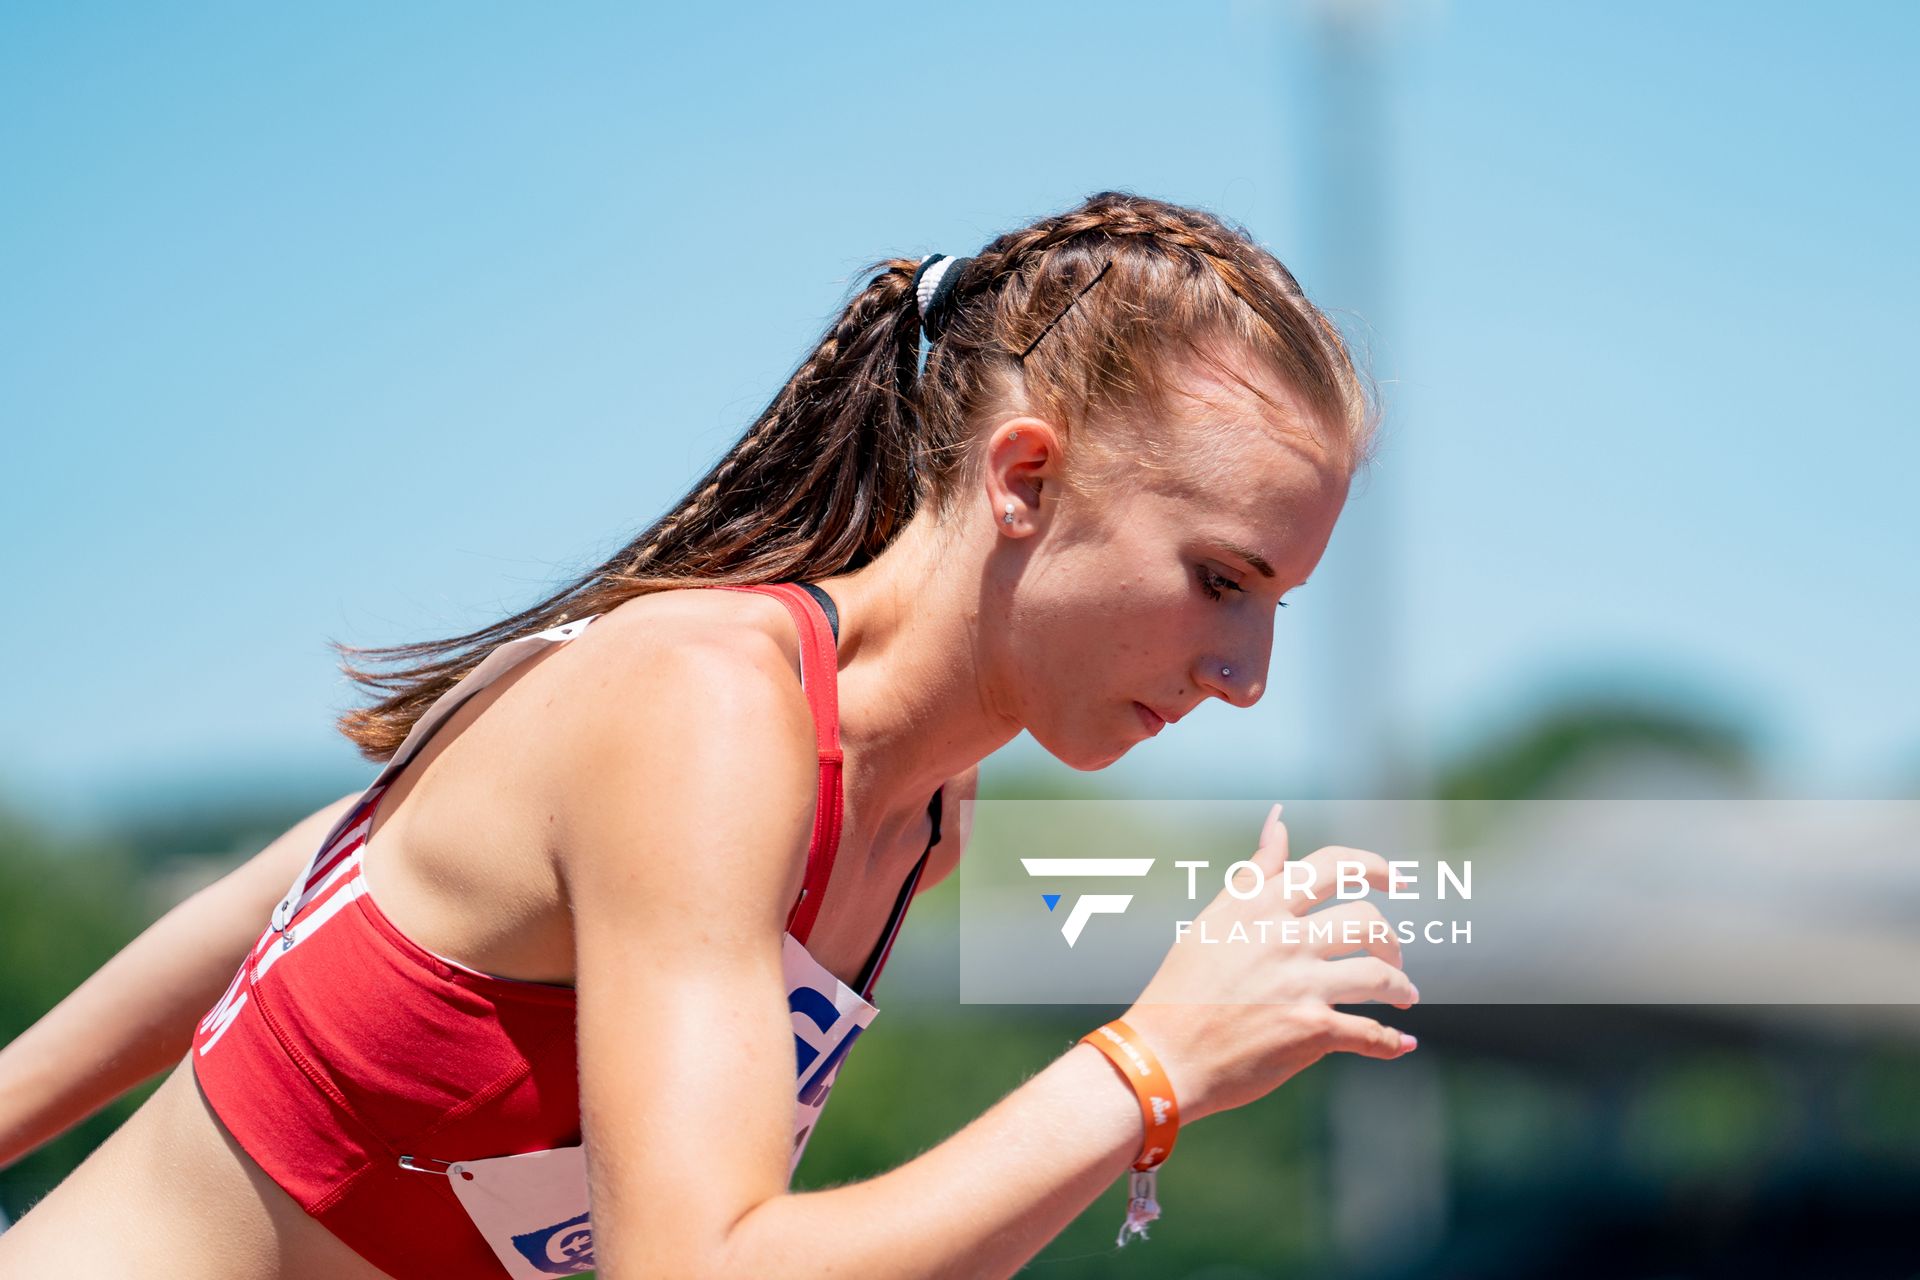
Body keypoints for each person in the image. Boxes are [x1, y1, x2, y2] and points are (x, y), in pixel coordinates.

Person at [0, 189, 1418, 1278]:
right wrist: (1148, 1067)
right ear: (1026, 479)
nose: (1247, 673)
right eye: (1222, 581)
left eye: (1279, 600)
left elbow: (343, 864)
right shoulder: (704, 711)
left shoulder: (922, 814)